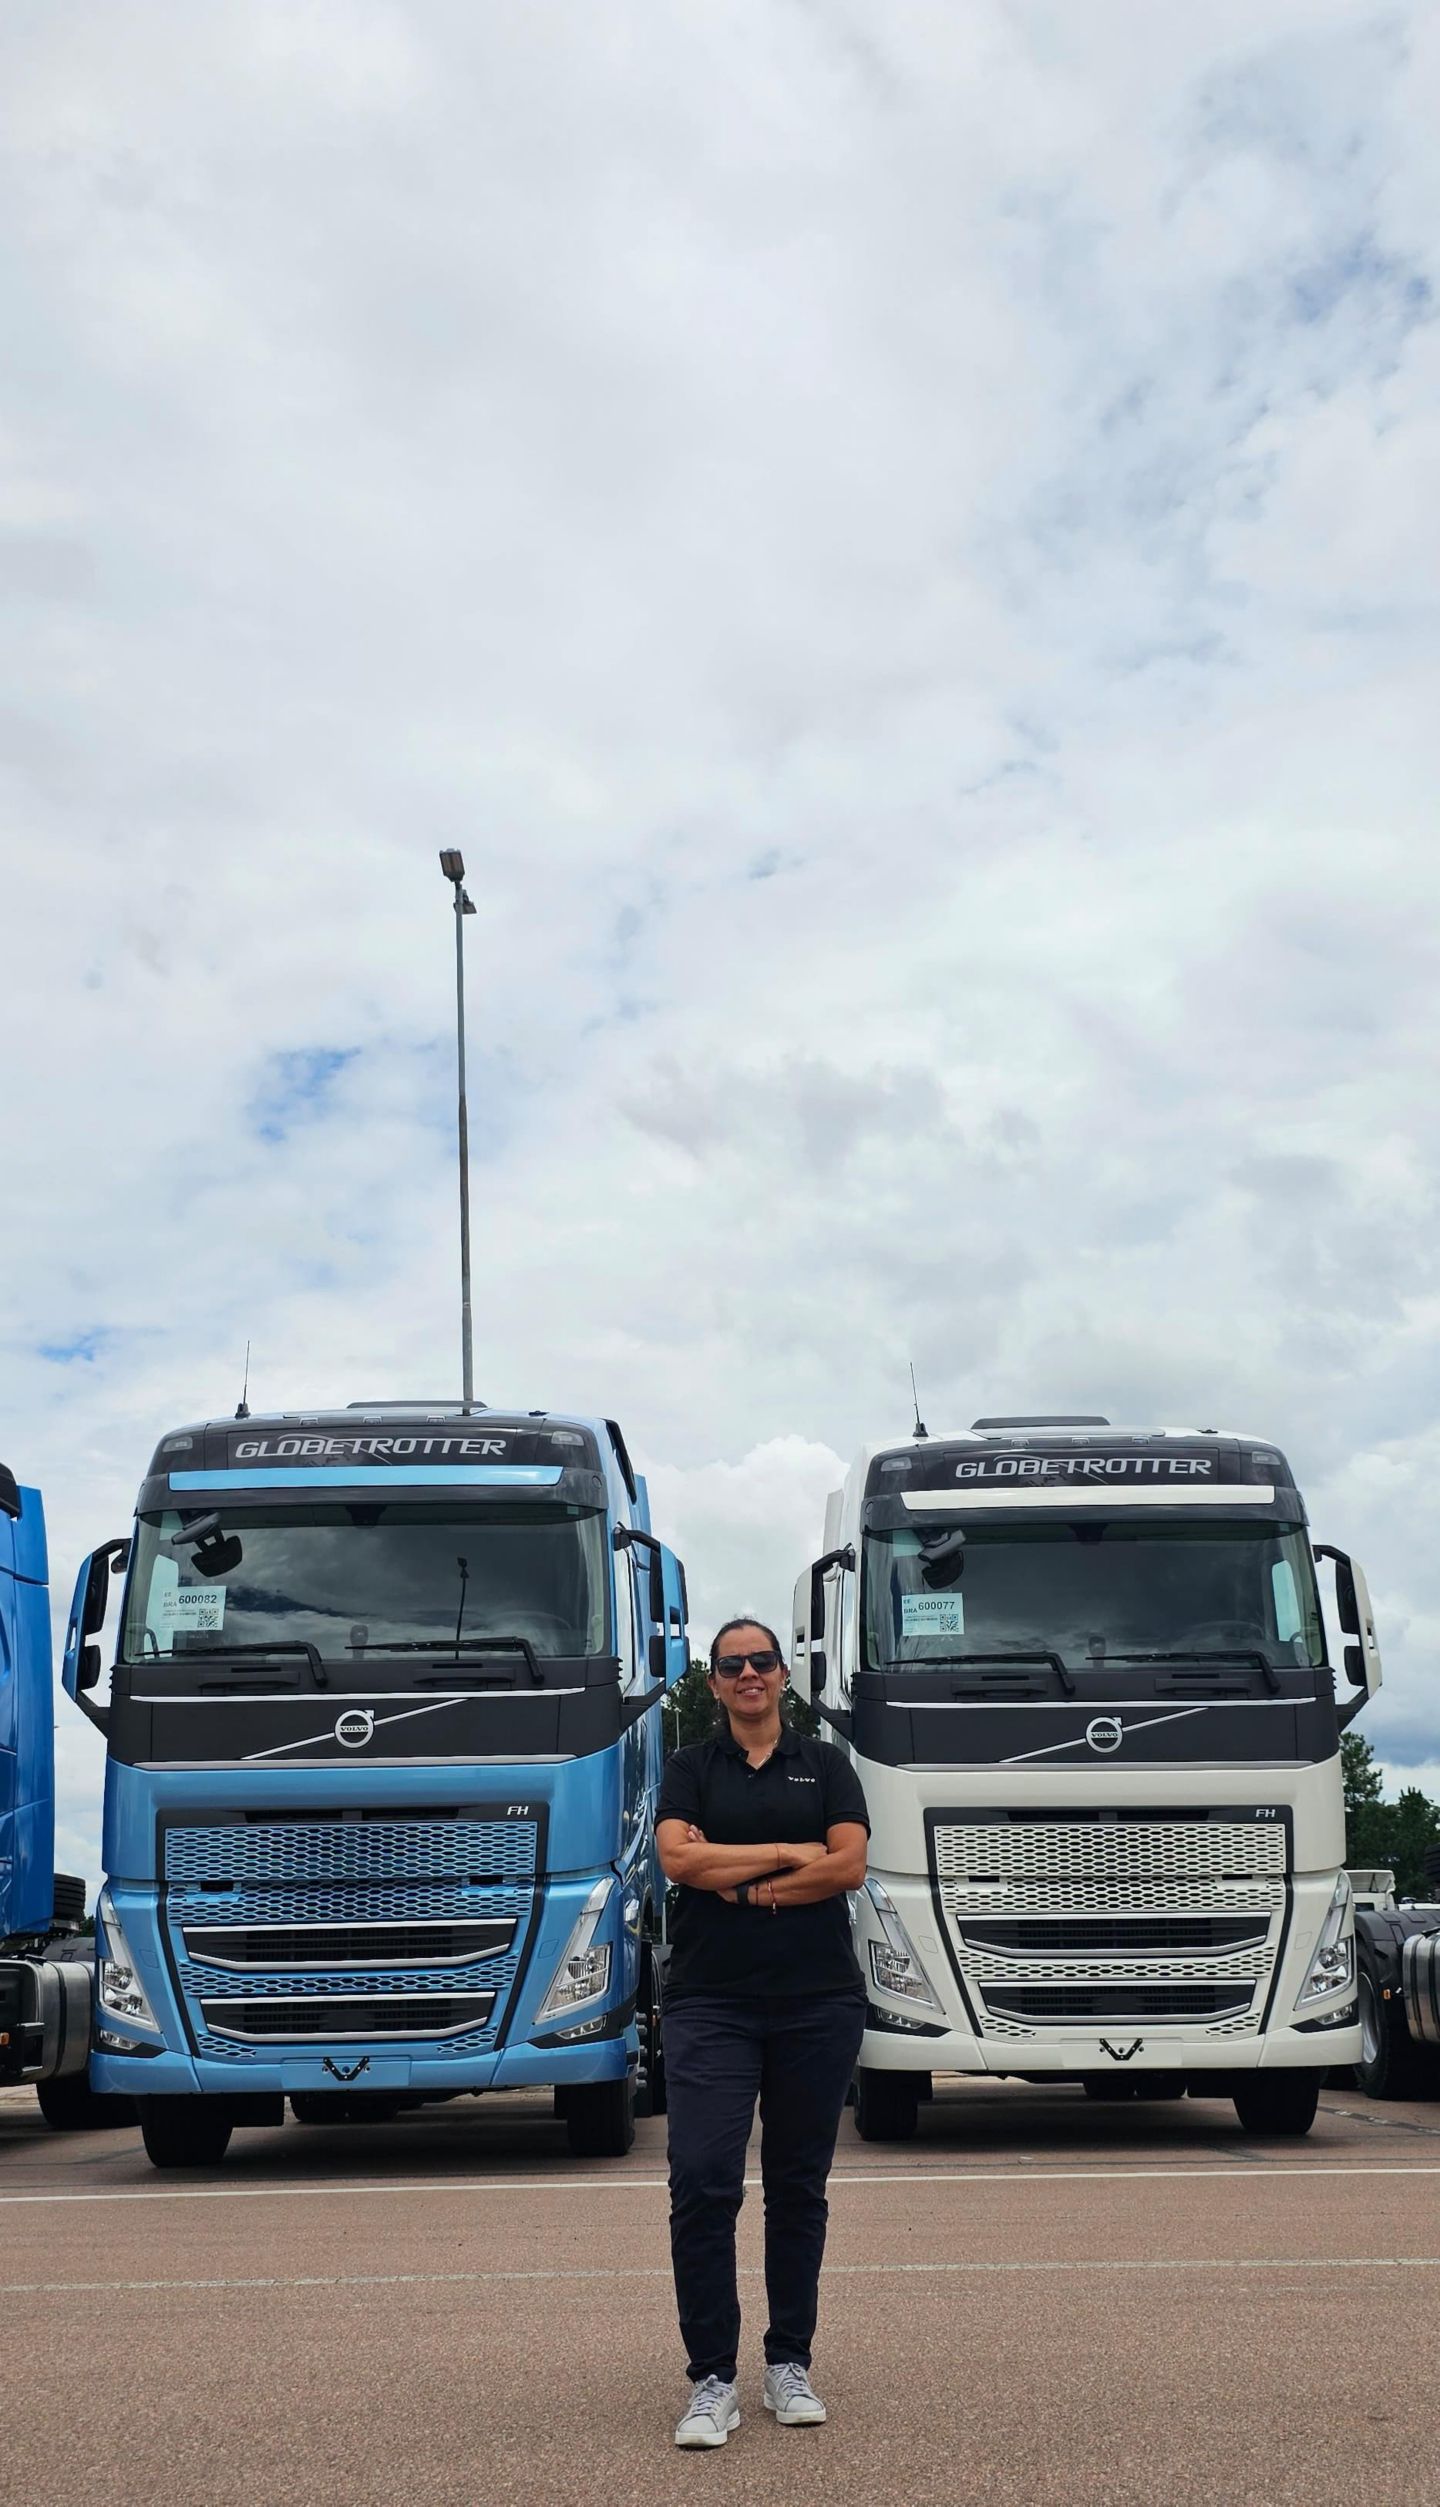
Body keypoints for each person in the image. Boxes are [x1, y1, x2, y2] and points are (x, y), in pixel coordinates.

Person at [655, 1615, 870, 2449]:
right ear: (713, 1682)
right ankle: (712, 2378)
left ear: (784, 1674)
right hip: (711, 1999)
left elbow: (848, 1863)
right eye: (731, 1663)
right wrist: (788, 1850)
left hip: (817, 1999)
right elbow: (680, 1861)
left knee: (797, 2184)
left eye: (763, 1660)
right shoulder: (689, 1767)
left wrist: (741, 1878)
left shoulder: (827, 1763)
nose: (749, 1673)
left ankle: (789, 2363)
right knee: (703, 2178)